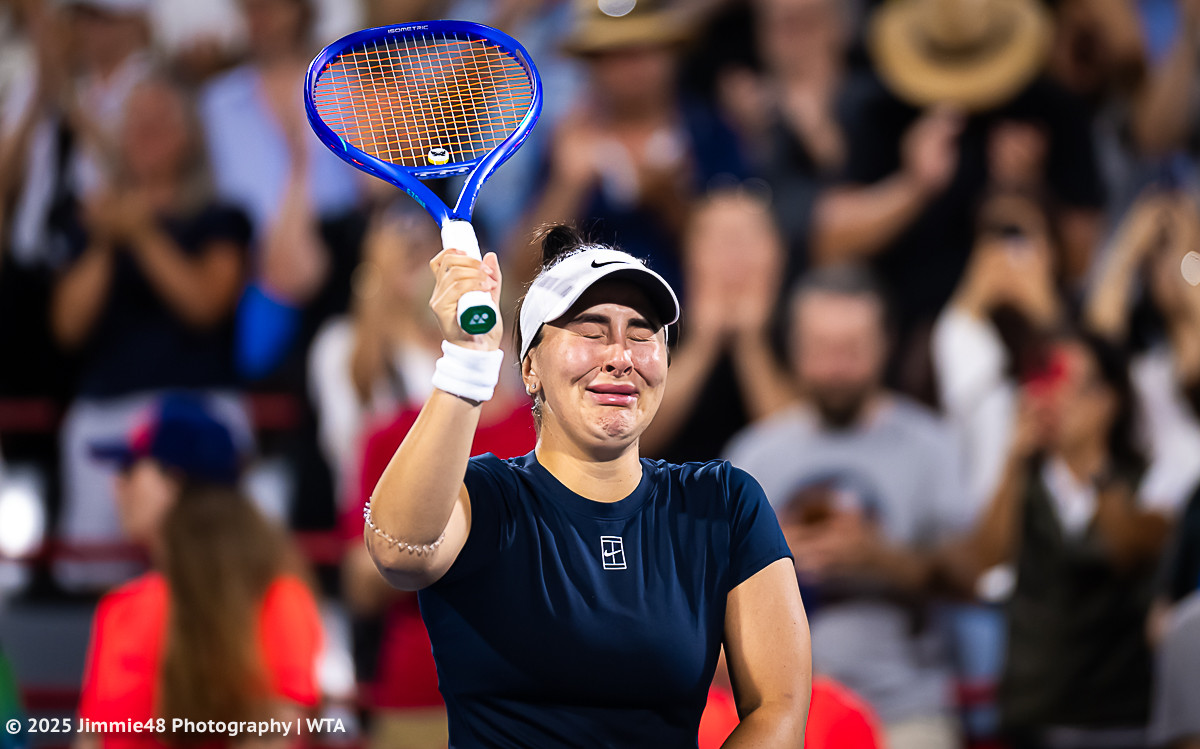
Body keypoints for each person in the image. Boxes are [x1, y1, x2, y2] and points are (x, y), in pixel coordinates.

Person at [363, 224, 811, 746]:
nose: (621, 356)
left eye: (642, 333)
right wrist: (467, 362)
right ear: (530, 367)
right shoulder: (483, 498)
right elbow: (398, 550)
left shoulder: (725, 502)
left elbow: (778, 706)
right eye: (592, 331)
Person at [724, 264, 970, 749]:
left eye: (852, 351)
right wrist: (772, 563)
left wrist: (886, 560)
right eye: (821, 350)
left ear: (885, 346)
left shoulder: (930, 445)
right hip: (782, 711)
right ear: (793, 349)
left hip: (903, 707)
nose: (836, 369)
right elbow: (706, 603)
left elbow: (974, 579)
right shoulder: (753, 455)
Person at [50, 73, 252, 590]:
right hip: (103, 420)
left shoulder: (220, 217)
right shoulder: (92, 224)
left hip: (198, 414)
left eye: (158, 123)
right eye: (134, 123)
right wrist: (104, 242)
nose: (144, 134)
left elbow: (205, 303)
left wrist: (142, 234)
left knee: (206, 571)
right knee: (99, 578)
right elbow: (67, 326)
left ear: (188, 136)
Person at [937, 331, 1170, 749]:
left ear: (1106, 399)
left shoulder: (1147, 479)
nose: (1050, 398)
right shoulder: (1022, 485)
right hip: (1035, 717)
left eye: (1065, 384)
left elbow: (1127, 550)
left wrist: (1091, 465)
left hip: (1122, 715)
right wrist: (1013, 458)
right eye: (1042, 381)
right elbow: (983, 564)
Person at [76, 394, 323, 749]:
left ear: (171, 483)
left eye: (129, 468)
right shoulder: (118, 609)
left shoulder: (277, 600)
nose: (116, 485)